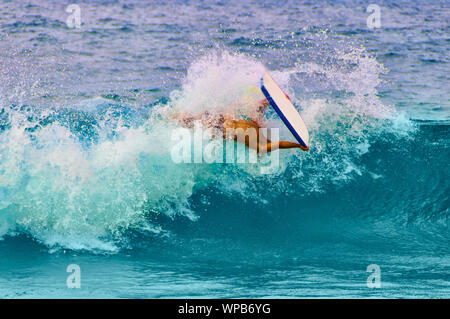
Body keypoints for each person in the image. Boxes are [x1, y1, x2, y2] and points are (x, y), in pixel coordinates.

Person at [170, 95, 309, 153]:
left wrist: (274, 99)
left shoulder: (255, 126)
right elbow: (278, 144)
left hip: (225, 119)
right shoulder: (258, 146)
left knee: (196, 119)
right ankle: (173, 117)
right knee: (195, 123)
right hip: (220, 128)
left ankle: (173, 116)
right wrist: (299, 145)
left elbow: (277, 143)